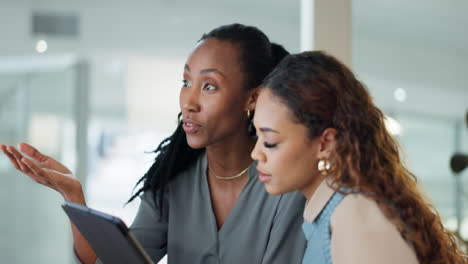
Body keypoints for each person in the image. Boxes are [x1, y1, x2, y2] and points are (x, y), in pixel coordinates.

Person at [0, 24, 306, 264]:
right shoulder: (172, 181)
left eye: (209, 86)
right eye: (186, 82)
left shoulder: (286, 189)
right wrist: (73, 197)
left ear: (252, 99)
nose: (190, 102)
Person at [251, 51, 468, 264]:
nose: (255, 153)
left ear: (325, 143)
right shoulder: (331, 216)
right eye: (256, 135)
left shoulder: (352, 217)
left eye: (270, 142)